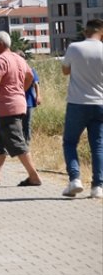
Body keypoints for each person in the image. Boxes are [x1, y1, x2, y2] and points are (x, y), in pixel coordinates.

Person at [0, 31, 42, 187]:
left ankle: (33, 176)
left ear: (0, 44)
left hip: (7, 106)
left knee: (17, 143)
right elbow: (30, 77)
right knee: (0, 142)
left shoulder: (0, 60)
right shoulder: (19, 59)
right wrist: (20, 91)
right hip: (16, 104)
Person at [61, 18, 103, 198]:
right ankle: (98, 187)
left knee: (70, 142)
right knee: (98, 146)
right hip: (100, 103)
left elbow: (65, 71)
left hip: (77, 102)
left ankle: (75, 179)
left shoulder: (74, 48)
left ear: (85, 31)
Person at [21, 52, 40, 143]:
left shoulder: (30, 70)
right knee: (19, 123)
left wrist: (38, 96)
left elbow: (36, 84)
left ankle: (27, 142)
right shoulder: (15, 70)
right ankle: (21, 141)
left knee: (27, 123)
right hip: (17, 101)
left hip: (28, 101)